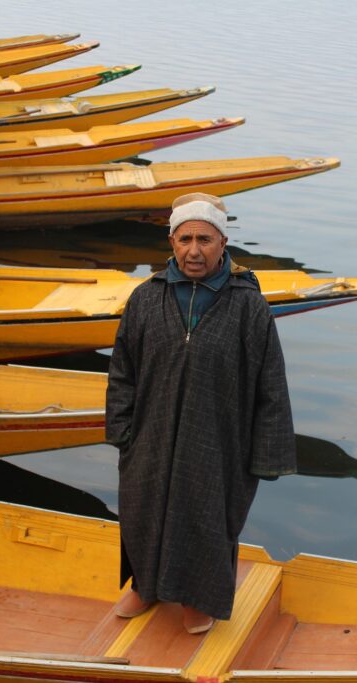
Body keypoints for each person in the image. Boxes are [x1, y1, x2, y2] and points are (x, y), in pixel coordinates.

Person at [105, 192, 297, 634]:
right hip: (149, 433)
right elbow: (122, 371)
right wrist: (123, 431)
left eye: (205, 240)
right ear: (172, 242)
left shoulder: (248, 306)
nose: (194, 251)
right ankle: (146, 586)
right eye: (185, 239)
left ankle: (198, 598)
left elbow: (270, 383)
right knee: (142, 507)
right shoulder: (145, 299)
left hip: (220, 438)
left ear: (223, 243)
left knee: (207, 514)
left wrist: (266, 455)